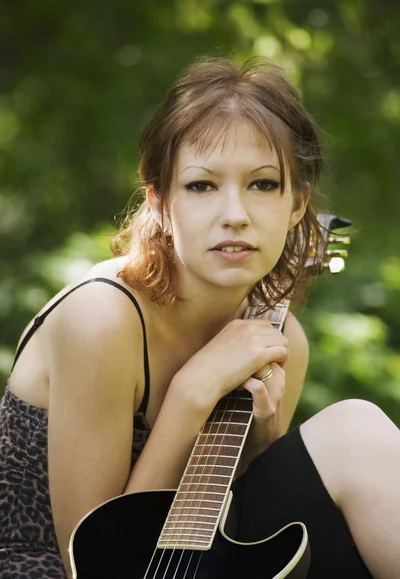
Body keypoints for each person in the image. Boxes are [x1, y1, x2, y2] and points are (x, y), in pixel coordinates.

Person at [1, 57, 399, 579]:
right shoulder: (100, 319)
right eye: (201, 186)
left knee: (355, 429)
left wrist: (262, 442)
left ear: (297, 206)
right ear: (161, 202)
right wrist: (192, 393)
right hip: (56, 569)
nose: (235, 213)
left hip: (195, 560)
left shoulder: (278, 340)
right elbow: (101, 564)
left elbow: (236, 537)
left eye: (262, 184)